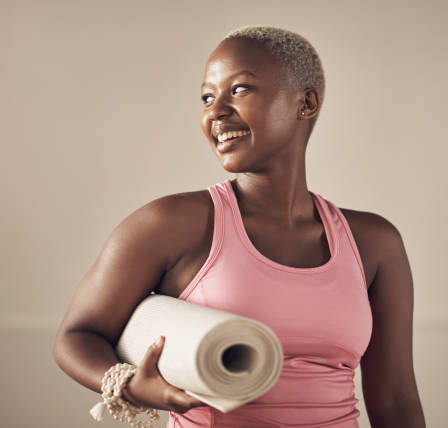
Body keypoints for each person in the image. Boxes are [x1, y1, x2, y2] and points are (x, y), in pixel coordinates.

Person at [53, 26, 425, 428]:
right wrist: (128, 384)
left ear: (307, 103)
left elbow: (396, 400)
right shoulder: (171, 225)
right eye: (207, 97)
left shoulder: (374, 243)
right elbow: (76, 336)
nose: (215, 112)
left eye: (240, 89)